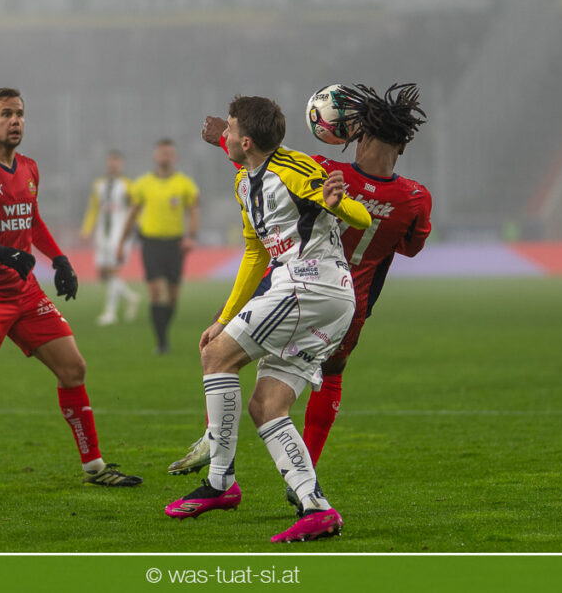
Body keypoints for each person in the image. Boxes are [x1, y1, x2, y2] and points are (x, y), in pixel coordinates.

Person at [170, 83, 431, 515]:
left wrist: (222, 138)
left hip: (300, 284)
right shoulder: (416, 198)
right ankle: (307, 487)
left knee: (219, 354)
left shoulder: (326, 170)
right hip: (353, 303)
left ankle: (218, 464)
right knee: (295, 391)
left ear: (358, 135)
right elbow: (411, 247)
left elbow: (270, 165)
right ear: (402, 146)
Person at [163, 95, 372, 543]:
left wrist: (338, 204)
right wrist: (225, 316)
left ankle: (220, 481)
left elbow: (362, 216)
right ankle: (316, 508)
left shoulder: (294, 170)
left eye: (230, 129)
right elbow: (256, 253)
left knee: (216, 357)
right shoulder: (245, 181)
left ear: (246, 141)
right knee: (266, 406)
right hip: (326, 299)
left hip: (307, 287)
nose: (224, 135)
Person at [0, 87, 142, 495]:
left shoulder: (29, 168)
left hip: (25, 293)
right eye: (6, 114)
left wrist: (60, 260)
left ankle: (94, 466)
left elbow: (32, 220)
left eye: (20, 114)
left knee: (73, 368)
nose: (15, 121)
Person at [117, 138, 199, 355]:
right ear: (155, 156)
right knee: (155, 291)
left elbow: (193, 211)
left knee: (172, 296)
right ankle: (162, 343)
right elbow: (132, 215)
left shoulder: (185, 184)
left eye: (169, 153)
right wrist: (121, 243)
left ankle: (164, 332)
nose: (165, 156)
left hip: (175, 244)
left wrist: (191, 236)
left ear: (175, 156)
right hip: (151, 243)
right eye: (162, 153)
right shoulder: (142, 184)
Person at [80, 150, 141, 326]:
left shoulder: (127, 185)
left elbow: (135, 208)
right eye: (110, 162)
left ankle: (110, 313)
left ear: (121, 164)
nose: (113, 165)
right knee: (103, 274)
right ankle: (131, 297)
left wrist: (138, 228)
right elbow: (93, 208)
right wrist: (86, 229)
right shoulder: (99, 185)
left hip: (119, 234)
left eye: (116, 162)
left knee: (113, 271)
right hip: (102, 234)